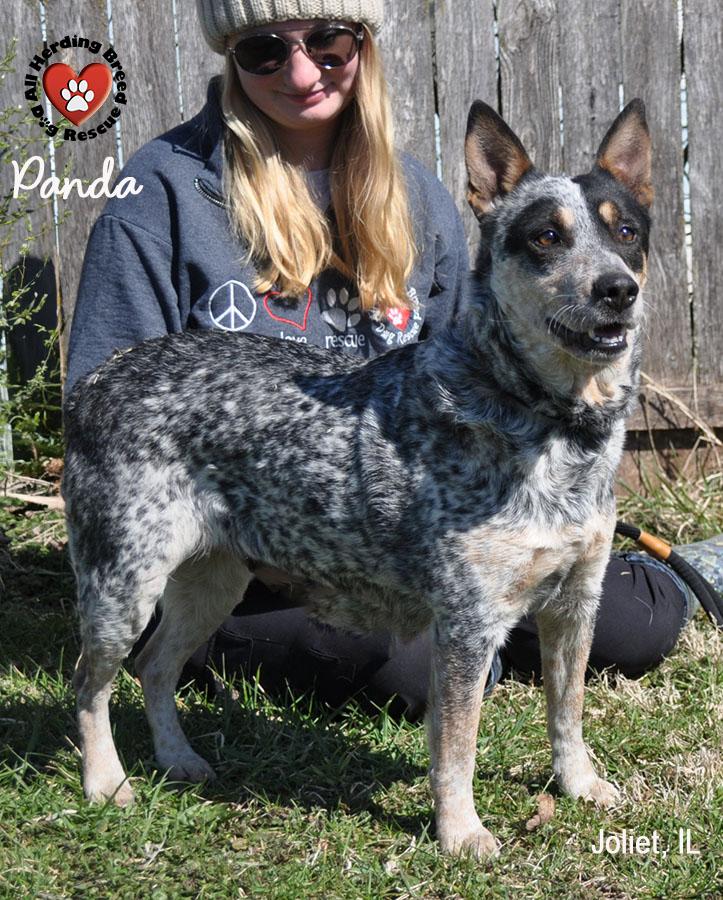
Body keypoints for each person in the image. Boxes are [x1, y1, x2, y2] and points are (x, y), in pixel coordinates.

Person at [66, 0, 711, 722]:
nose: (302, 70)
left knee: (633, 621)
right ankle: (465, 647)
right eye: (264, 51)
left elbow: (467, 374)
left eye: (328, 40)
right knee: (397, 666)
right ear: (230, 58)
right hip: (244, 545)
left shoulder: (416, 194)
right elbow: (111, 402)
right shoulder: (162, 191)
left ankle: (686, 571)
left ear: (362, 45)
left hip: (422, 529)